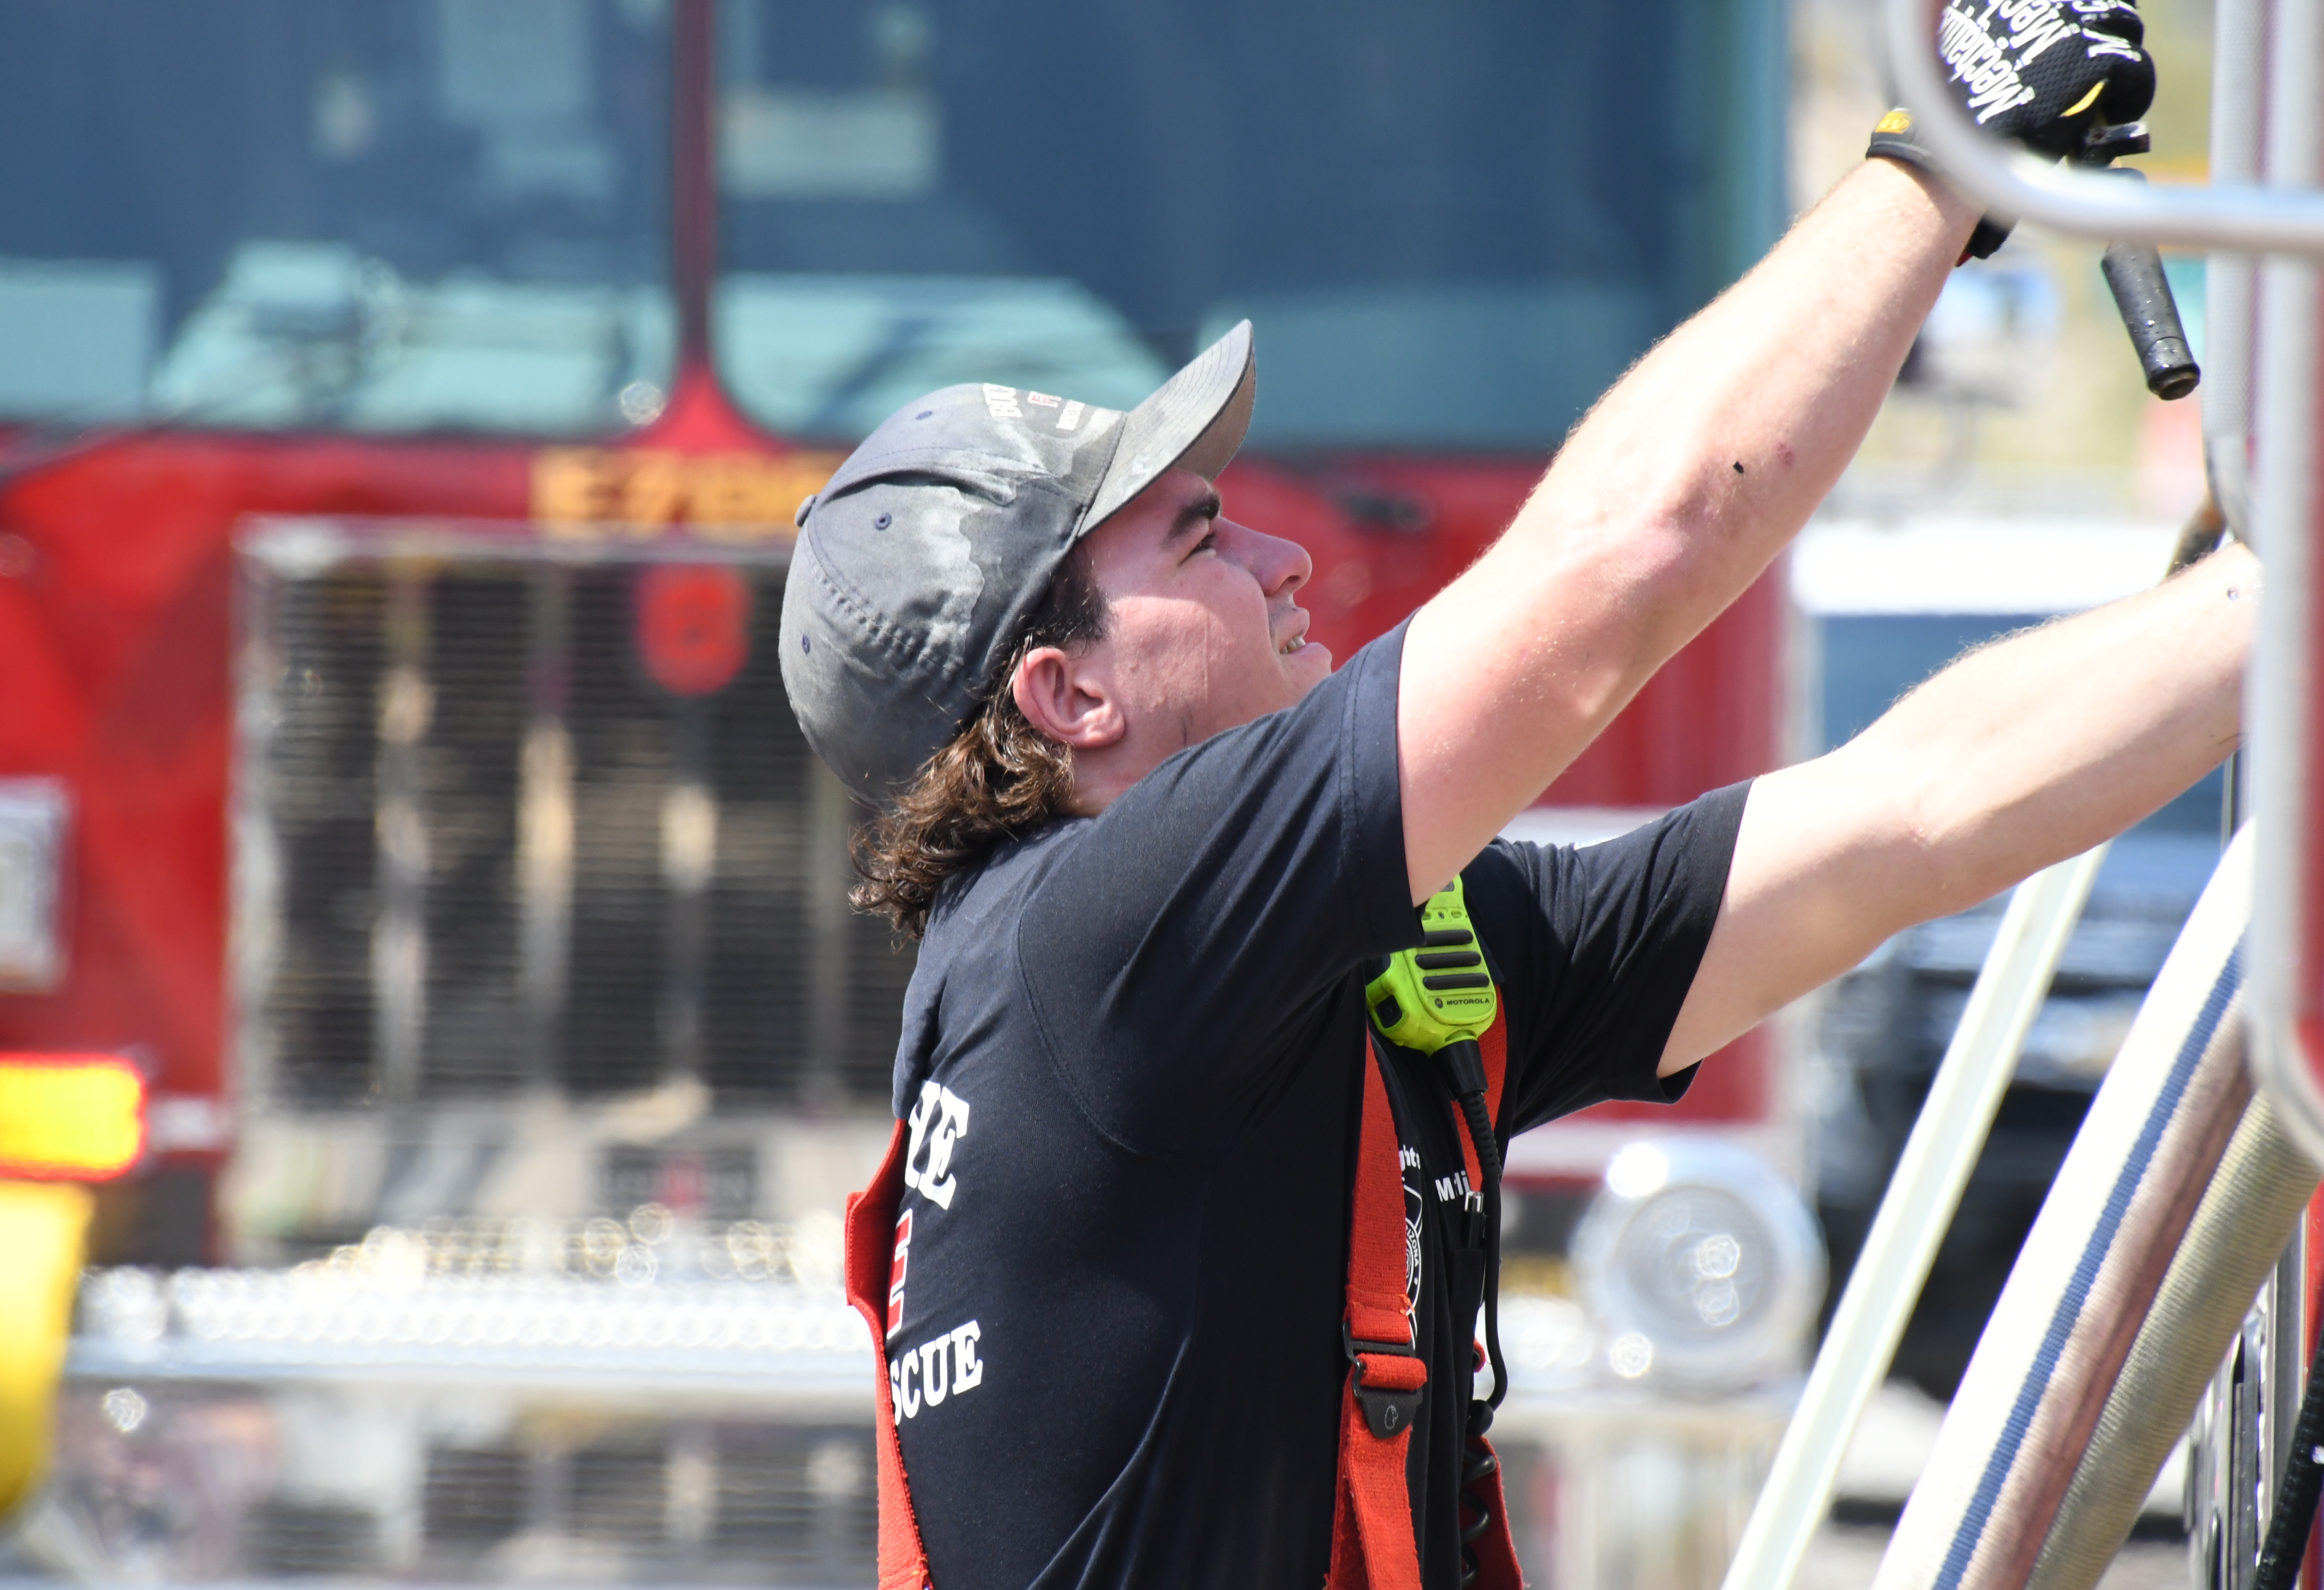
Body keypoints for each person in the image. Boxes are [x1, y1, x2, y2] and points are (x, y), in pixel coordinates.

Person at [776, 5, 2242, 1585]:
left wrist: (2272, 607)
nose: (1286, 556)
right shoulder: (1097, 945)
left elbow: (1905, 819)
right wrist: (1939, 149)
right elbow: (1635, 555)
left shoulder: (1285, 985)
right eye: (1201, 539)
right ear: (1071, 698)